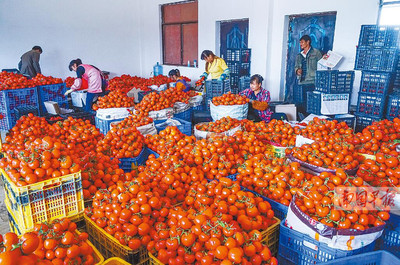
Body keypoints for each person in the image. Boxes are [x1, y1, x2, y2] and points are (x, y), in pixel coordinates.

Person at [294, 35, 323, 117]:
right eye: (300, 43)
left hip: (313, 81)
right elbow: (296, 66)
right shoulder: (299, 55)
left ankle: (312, 118)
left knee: (312, 102)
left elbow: (322, 65)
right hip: (302, 81)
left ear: (308, 42)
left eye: (302, 42)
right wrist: (297, 70)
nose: (301, 44)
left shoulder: (316, 53)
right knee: (303, 102)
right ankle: (305, 118)